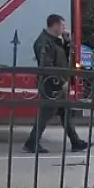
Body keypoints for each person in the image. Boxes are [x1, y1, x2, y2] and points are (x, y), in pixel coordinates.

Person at [23, 14, 88, 154]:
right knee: (46, 114)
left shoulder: (54, 41)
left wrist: (66, 43)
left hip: (58, 84)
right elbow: (47, 66)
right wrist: (61, 82)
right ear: (55, 25)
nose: (64, 29)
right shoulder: (44, 42)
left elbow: (62, 59)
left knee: (65, 112)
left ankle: (75, 142)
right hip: (50, 85)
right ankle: (31, 142)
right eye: (62, 25)